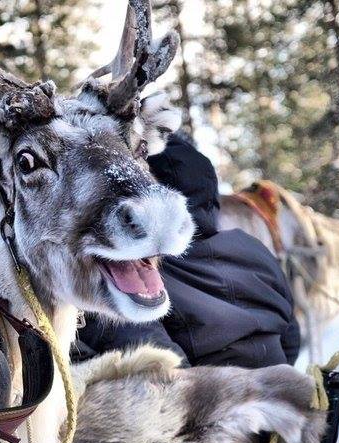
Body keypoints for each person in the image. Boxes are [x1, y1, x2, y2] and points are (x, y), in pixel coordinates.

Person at [72, 133, 301, 369]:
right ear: (211, 190)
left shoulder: (143, 272)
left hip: (215, 397)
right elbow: (291, 336)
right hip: (279, 388)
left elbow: (154, 354)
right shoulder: (255, 248)